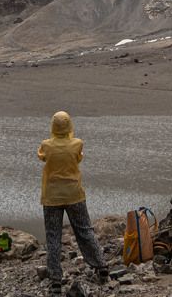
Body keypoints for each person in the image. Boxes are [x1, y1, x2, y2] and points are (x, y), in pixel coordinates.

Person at [37, 110, 108, 294]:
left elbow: (42, 156)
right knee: (85, 230)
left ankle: (55, 280)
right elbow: (78, 158)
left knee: (53, 236)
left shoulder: (46, 145)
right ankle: (101, 265)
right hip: (74, 194)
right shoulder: (77, 143)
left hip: (52, 196)